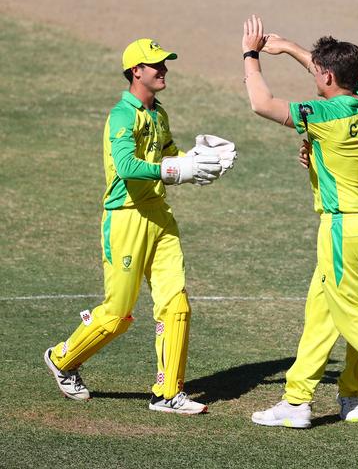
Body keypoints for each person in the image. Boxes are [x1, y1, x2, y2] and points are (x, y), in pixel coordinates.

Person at [241, 15, 358, 435]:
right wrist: (289, 46)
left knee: (354, 319)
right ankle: (297, 399)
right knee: (321, 312)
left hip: (343, 228)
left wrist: (251, 56)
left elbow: (261, 104)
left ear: (326, 76)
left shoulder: (323, 113)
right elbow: (330, 70)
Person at [43, 38, 235, 414]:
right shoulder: (121, 115)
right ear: (136, 72)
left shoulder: (158, 114)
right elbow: (128, 167)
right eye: (155, 65)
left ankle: (167, 392)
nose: (163, 70)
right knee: (117, 314)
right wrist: (175, 169)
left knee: (176, 304)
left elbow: (166, 155)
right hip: (125, 218)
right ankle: (63, 359)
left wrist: (197, 162)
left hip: (159, 215)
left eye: (164, 64)